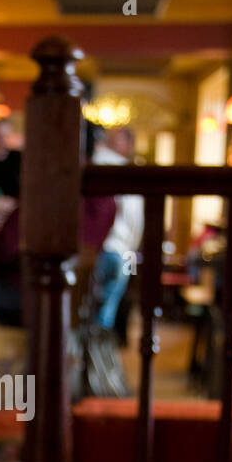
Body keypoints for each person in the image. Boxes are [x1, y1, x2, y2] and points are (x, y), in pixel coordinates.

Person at [91, 125, 144, 340]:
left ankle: (89, 358)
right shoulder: (123, 170)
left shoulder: (98, 163)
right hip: (117, 249)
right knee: (103, 313)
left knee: (92, 308)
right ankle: (95, 357)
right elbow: (135, 219)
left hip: (105, 249)